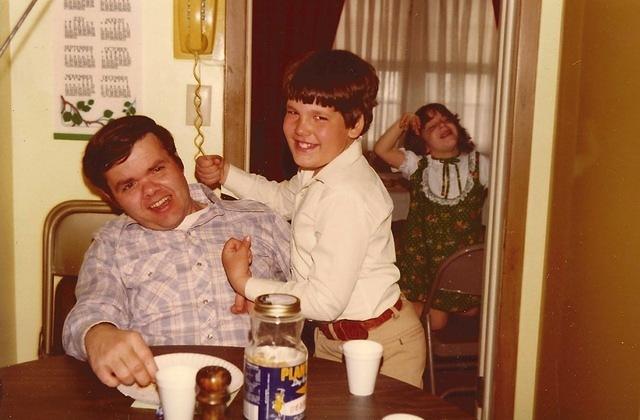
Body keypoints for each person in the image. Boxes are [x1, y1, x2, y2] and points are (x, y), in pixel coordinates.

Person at [196, 49, 426, 388]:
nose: (301, 128)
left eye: (320, 117)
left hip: (383, 348)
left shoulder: (345, 194)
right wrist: (227, 174)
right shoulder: (320, 171)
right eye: (293, 112)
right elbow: (284, 199)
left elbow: (324, 301)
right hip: (334, 340)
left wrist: (244, 283)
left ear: (356, 125)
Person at [62, 115, 291, 388]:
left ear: (179, 164)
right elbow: (90, 309)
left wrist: (271, 298)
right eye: (129, 185)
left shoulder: (259, 218)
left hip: (264, 389)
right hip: (161, 394)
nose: (150, 190)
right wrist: (98, 335)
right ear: (113, 199)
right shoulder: (111, 243)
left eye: (157, 169)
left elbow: (321, 290)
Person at [373, 103, 489, 330]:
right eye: (432, 126)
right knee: (437, 321)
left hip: (460, 267)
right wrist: (402, 123)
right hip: (422, 267)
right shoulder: (418, 166)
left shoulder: (479, 164)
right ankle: (384, 310)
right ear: (424, 144)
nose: (442, 125)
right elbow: (382, 150)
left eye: (446, 119)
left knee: (471, 310)